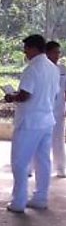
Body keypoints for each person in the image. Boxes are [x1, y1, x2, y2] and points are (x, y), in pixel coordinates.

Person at [5, 35, 61, 212]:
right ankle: (40, 198)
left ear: (34, 48)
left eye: (26, 49)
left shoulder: (32, 68)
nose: (25, 52)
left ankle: (18, 202)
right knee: (43, 161)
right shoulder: (53, 69)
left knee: (20, 162)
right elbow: (56, 93)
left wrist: (11, 96)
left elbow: (25, 95)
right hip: (47, 120)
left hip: (30, 122)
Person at [46, 41, 66, 177]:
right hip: (42, 110)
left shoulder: (63, 70)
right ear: (47, 53)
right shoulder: (40, 69)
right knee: (39, 140)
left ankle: (60, 168)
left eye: (59, 52)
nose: (57, 55)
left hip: (58, 110)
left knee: (58, 139)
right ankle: (32, 168)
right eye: (55, 52)